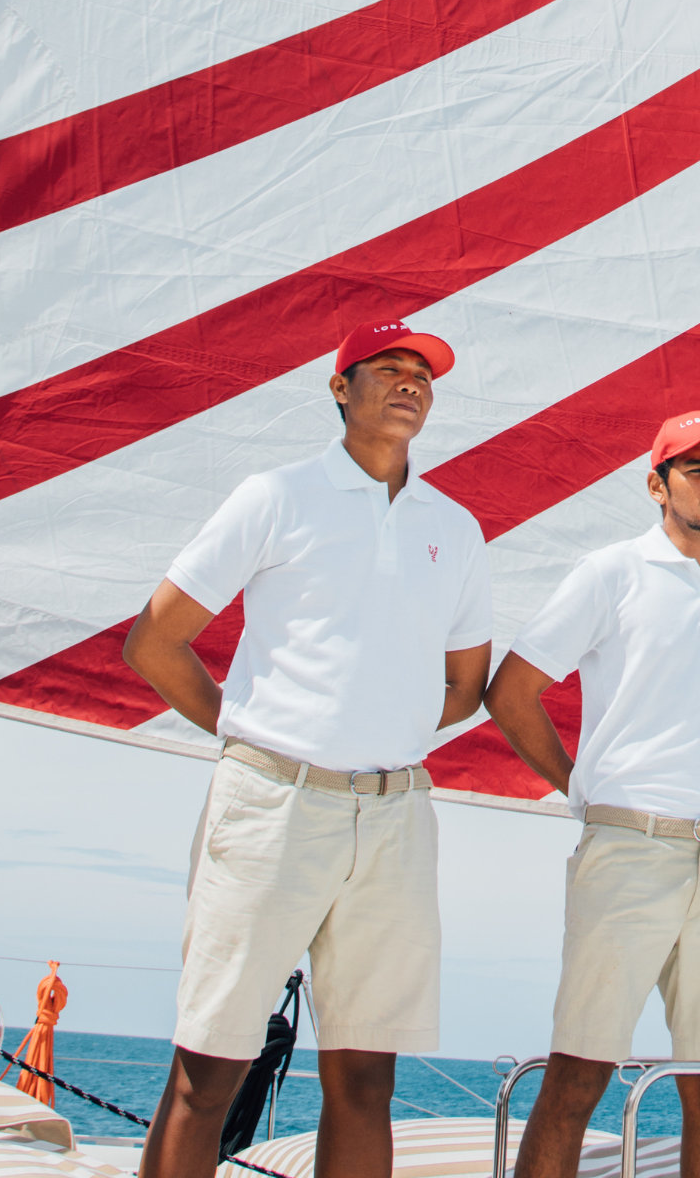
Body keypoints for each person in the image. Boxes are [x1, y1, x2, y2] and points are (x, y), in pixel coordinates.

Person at [122, 319, 492, 1178]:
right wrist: (252, 734)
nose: (410, 383)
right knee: (209, 1068)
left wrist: (376, 731)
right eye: (388, 369)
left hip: (396, 818)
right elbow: (154, 641)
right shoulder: (276, 496)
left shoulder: (456, 528)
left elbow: (465, 685)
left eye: (423, 375)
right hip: (270, 804)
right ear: (339, 388)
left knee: (366, 1079)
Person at [485, 411, 700, 1178]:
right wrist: (585, 789)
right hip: (628, 850)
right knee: (578, 1075)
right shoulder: (611, 572)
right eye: (697, 467)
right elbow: (512, 690)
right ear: (658, 484)